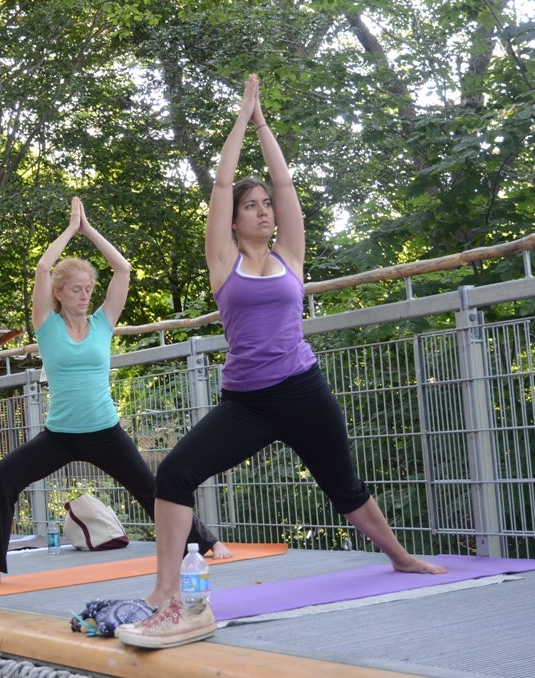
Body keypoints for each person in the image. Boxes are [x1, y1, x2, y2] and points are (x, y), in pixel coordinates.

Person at [115, 74, 447, 650]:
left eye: (266, 204)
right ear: (236, 219)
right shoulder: (223, 261)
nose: (264, 210)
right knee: (173, 475)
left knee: (343, 486)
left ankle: (400, 557)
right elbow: (221, 183)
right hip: (247, 402)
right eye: (252, 206)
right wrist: (241, 120)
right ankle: (166, 589)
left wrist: (265, 124)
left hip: (302, 390)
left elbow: (286, 181)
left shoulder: (291, 255)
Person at [0, 197, 229, 590]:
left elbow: (123, 268)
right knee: (1, 478)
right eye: (76, 289)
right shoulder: (46, 326)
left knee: (152, 488)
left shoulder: (104, 322)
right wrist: (69, 230)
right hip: (60, 436)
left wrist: (89, 231)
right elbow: (42, 267)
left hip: (104, 431)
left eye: (88, 289)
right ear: (60, 293)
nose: (84, 295)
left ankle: (204, 543)